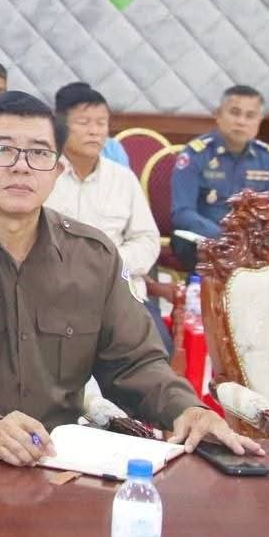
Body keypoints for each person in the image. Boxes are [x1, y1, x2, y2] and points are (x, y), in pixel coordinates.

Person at [0, 91, 262, 467]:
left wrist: (186, 409)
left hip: (53, 462)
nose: (21, 167)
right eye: (2, 150)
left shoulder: (92, 255)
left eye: (39, 153)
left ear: (57, 170)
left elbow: (133, 364)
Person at [46, 83, 168, 351]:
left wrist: (109, 264)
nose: (95, 131)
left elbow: (147, 239)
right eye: (84, 122)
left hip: (119, 291)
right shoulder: (42, 174)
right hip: (56, 292)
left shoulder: (123, 179)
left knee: (157, 347)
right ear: (60, 126)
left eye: (101, 123)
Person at [171, 85, 269, 271]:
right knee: (183, 240)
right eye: (235, 113)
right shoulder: (196, 154)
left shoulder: (268, 159)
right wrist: (224, 237)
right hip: (208, 239)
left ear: (259, 121)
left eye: (250, 116)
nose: (241, 121)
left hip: (252, 244)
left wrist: (252, 241)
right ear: (219, 115)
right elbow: (181, 212)